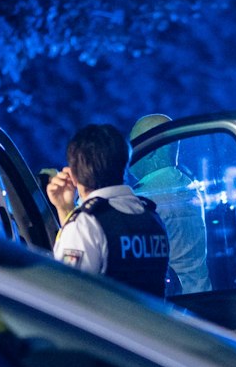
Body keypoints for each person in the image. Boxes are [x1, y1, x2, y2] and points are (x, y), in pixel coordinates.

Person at [43, 123, 173, 296]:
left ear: (73, 175)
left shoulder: (86, 225)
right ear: (124, 165)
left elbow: (66, 296)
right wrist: (65, 209)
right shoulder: (151, 218)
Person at [128, 114, 210, 296]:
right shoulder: (187, 185)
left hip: (171, 304)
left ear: (150, 150)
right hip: (202, 294)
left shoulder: (146, 196)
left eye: (133, 145)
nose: (130, 153)